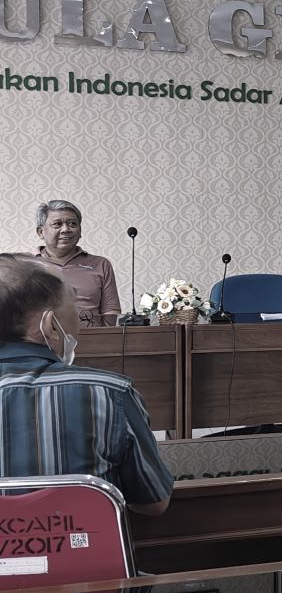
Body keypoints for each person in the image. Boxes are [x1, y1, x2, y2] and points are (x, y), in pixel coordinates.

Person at [0, 256, 172, 514]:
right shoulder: (109, 393)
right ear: (51, 326)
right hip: (84, 551)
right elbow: (154, 503)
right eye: (75, 313)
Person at [31, 200, 121, 328]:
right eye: (57, 224)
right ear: (41, 232)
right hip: (39, 344)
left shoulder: (100, 264)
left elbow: (110, 311)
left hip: (91, 342)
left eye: (72, 224)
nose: (66, 229)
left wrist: (104, 342)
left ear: (80, 230)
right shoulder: (24, 264)